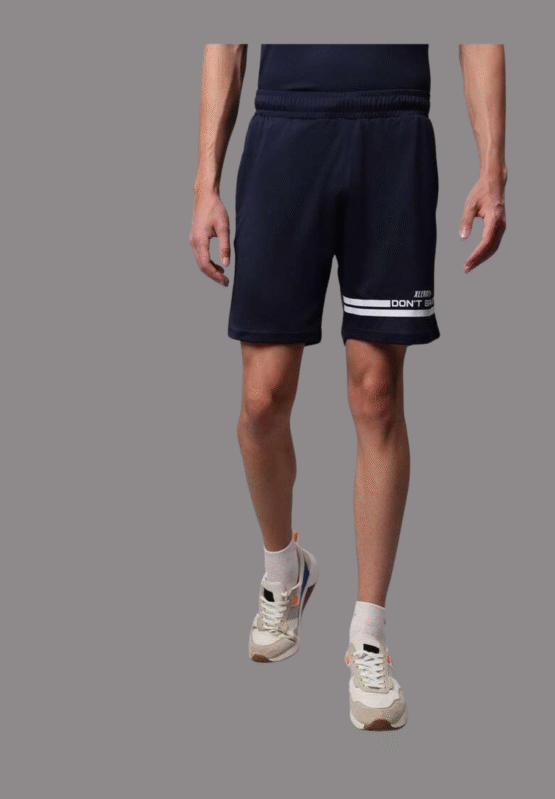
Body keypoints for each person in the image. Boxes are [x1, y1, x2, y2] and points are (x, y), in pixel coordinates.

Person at [190, 44, 507, 730]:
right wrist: (205, 180)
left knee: (377, 393)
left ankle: (369, 634)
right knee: (261, 400)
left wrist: (493, 166)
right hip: (286, 126)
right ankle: (285, 571)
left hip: (392, 131)